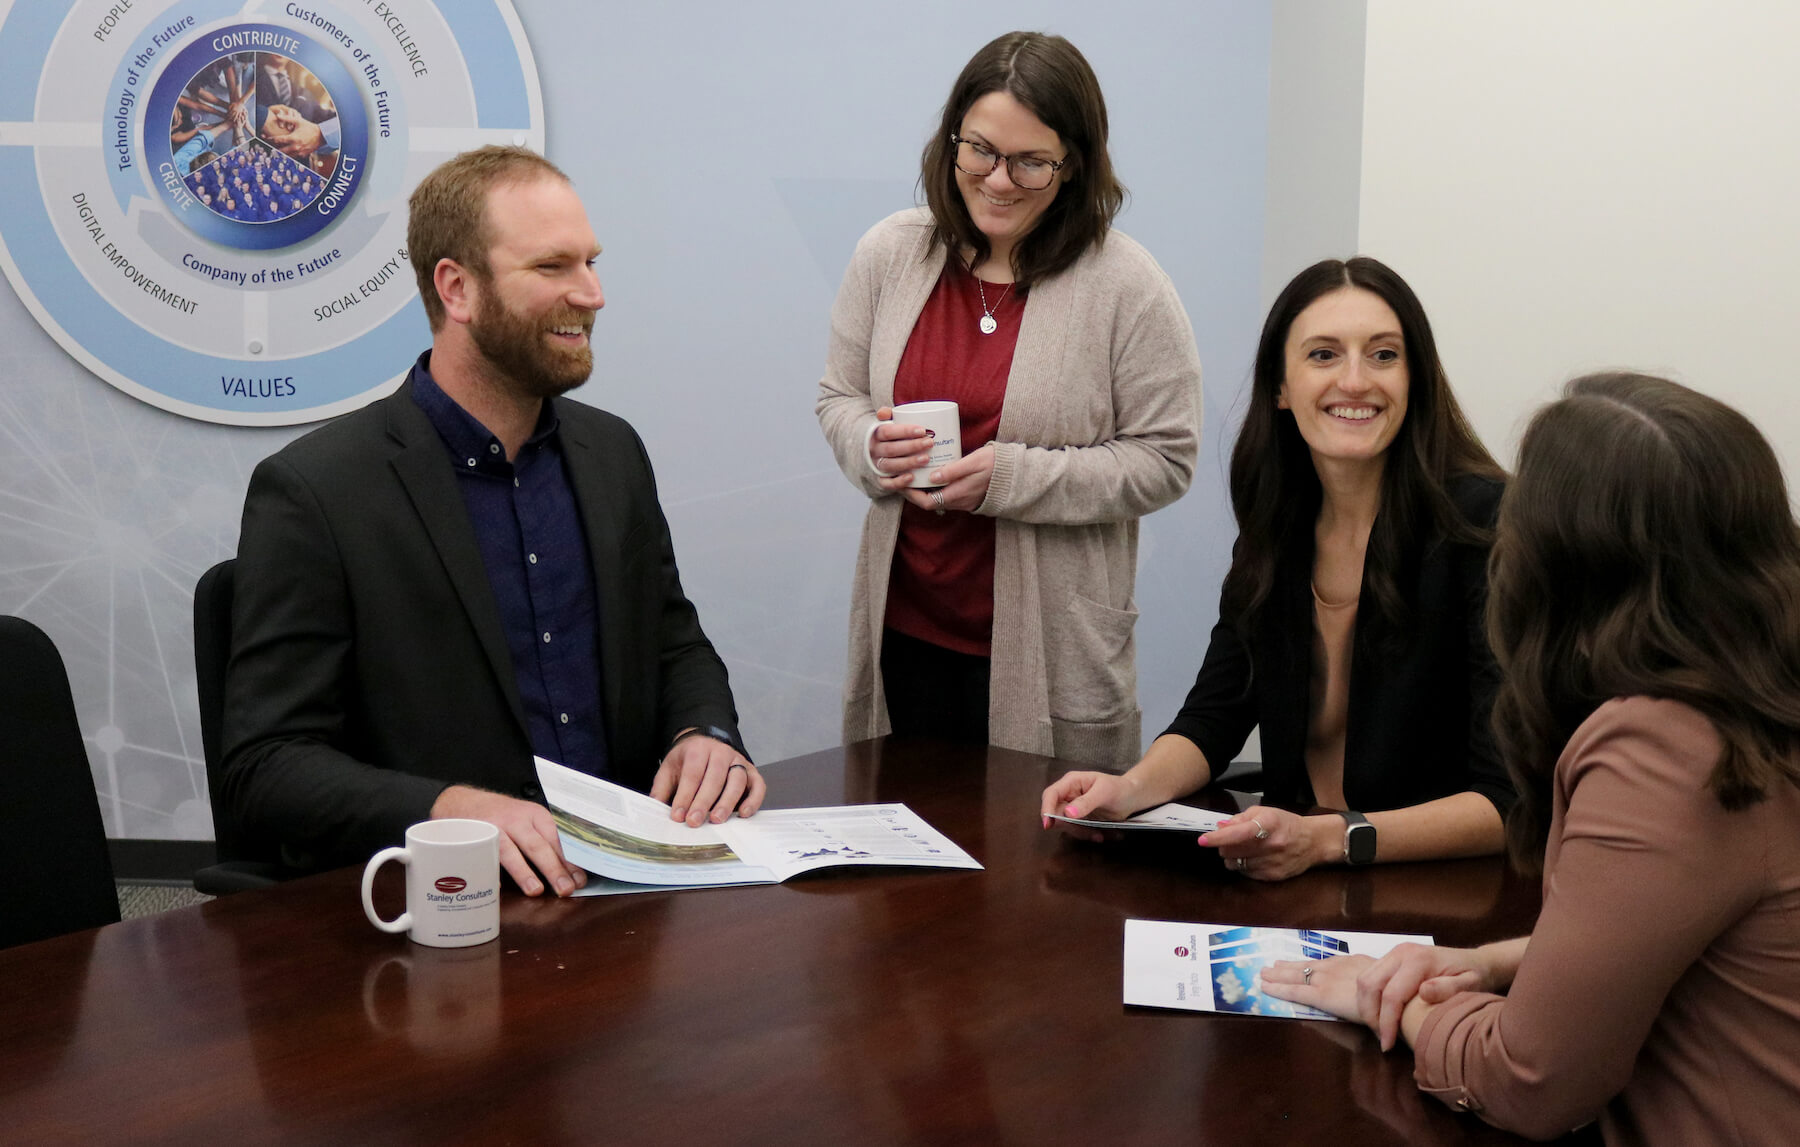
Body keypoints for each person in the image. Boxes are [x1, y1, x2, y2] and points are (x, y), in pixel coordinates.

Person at [1259, 373, 1800, 1143]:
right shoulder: (1760, 693)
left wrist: (1393, 1003)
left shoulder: (1664, 747)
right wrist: (1493, 963)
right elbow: (1678, 928)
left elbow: (1530, 1080)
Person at [221, 146, 764, 897]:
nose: (593, 293)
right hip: (446, 908)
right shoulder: (318, 491)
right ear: (458, 289)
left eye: (591, 263)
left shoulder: (612, 453)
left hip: (629, 895)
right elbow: (266, 766)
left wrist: (704, 732)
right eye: (552, 267)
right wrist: (447, 809)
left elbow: (672, 639)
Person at [1042, 257, 1512, 879]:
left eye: (1383, 355)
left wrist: (1327, 839)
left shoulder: (1487, 525)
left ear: (1416, 380)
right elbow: (1215, 716)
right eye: (1323, 355)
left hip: (1437, 887)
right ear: (1280, 388)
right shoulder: (1279, 524)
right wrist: (1127, 791)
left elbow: (1507, 799)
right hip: (1300, 870)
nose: (1355, 380)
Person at [815, 31, 1203, 765]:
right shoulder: (891, 253)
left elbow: (1166, 459)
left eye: (1031, 161)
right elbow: (839, 396)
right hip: (904, 633)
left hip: (1055, 652)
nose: (999, 180)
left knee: (1041, 841)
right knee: (899, 830)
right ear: (952, 142)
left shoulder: (1127, 285)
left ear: (1073, 164)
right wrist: (869, 443)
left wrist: (1012, 477)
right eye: (981, 151)